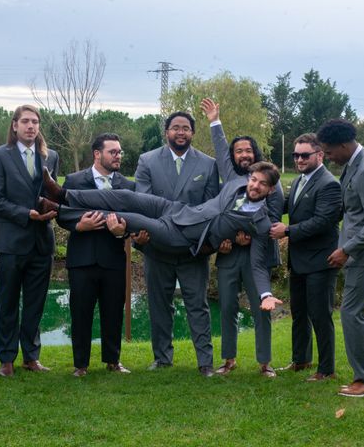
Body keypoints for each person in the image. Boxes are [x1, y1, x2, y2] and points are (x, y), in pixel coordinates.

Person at [40, 161, 283, 314]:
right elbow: (222, 151)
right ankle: (63, 194)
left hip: (181, 237)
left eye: (262, 184)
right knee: (126, 196)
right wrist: (215, 121)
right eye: (253, 180)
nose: (254, 186)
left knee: (128, 219)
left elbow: (258, 263)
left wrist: (266, 294)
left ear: (270, 190)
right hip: (177, 210)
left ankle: (58, 211)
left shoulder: (259, 223)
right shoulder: (235, 184)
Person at [200, 98, 282, 377]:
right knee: (227, 307)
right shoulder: (231, 176)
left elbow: (273, 218)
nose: (243, 154)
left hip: (256, 255)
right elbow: (220, 149)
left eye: (248, 150)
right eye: (238, 151)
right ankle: (229, 359)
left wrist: (248, 235)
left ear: (255, 152)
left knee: (261, 310)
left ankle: (265, 363)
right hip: (228, 254)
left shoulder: (271, 182)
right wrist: (214, 120)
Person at [134, 111, 219, 377]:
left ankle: (205, 362)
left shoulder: (208, 164)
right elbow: (143, 203)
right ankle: (162, 358)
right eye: (175, 128)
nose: (180, 132)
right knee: (159, 305)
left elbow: (211, 206)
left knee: (198, 305)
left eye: (185, 128)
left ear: (192, 133)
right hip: (157, 247)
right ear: (166, 132)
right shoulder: (147, 161)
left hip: (193, 249)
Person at [317, 119, 364, 397]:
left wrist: (346, 249)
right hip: (362, 253)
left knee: (351, 313)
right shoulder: (355, 162)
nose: (327, 157)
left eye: (328, 151)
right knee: (362, 313)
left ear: (344, 145)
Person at [0, 104, 59, 377]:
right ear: (14, 126)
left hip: (42, 241)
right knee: (7, 302)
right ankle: (6, 359)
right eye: (25, 121)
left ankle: (31, 356)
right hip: (11, 241)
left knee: (35, 302)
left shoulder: (51, 156)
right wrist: (25, 214)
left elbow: (52, 192)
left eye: (35, 122)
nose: (31, 126)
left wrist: (53, 207)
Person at [57, 133, 138, 377]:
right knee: (80, 312)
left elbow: (135, 219)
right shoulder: (73, 180)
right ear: (97, 154)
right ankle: (80, 365)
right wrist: (79, 225)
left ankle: (113, 361)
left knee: (113, 311)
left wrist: (122, 230)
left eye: (120, 152)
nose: (118, 156)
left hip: (114, 258)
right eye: (113, 152)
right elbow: (61, 213)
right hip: (81, 259)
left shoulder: (127, 185)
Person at [269, 133, 342, 381]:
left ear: (319, 155)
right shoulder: (300, 180)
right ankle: (301, 360)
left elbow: (323, 222)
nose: (299, 159)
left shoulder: (329, 184)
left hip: (321, 261)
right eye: (296, 155)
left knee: (320, 315)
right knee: (299, 312)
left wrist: (287, 230)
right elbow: (288, 205)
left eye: (304, 155)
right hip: (299, 261)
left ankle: (326, 369)